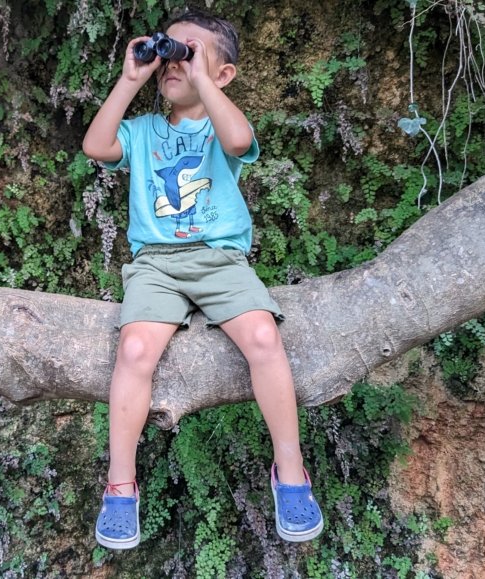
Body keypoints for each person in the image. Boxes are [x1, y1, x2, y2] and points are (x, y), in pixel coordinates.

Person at [82, 8, 324, 549]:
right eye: (169, 51)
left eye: (190, 54)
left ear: (224, 76)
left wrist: (199, 78)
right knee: (135, 350)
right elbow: (97, 148)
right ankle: (121, 485)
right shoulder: (143, 132)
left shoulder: (221, 126)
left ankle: (291, 473)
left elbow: (239, 141)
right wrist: (130, 79)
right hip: (156, 265)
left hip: (219, 259)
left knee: (264, 336)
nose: (174, 62)